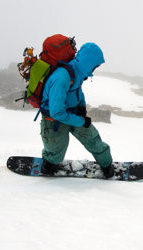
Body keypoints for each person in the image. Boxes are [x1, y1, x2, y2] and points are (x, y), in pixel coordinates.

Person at [38, 42, 114, 177]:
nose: (95, 69)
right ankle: (49, 166)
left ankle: (106, 164)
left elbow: (78, 92)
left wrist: (81, 107)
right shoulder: (61, 77)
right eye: (95, 65)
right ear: (88, 62)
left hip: (72, 114)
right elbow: (57, 112)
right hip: (53, 120)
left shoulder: (77, 74)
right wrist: (80, 121)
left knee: (93, 139)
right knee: (56, 149)